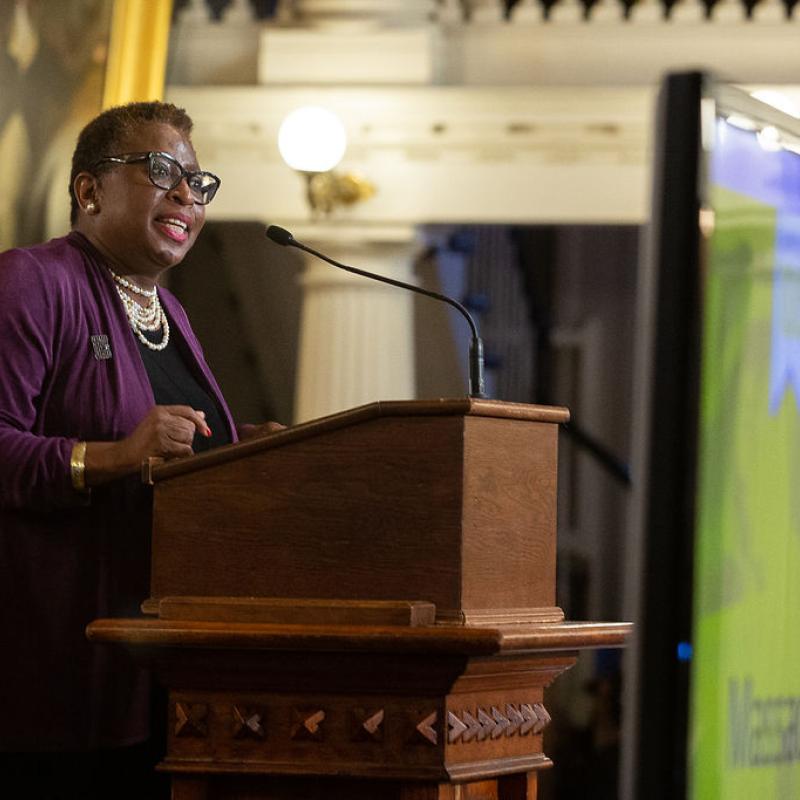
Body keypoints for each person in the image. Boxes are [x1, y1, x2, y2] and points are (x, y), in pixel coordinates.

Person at [0, 101, 277, 798]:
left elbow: (173, 452)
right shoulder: (34, 282)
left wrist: (250, 451)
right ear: (89, 190)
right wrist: (116, 457)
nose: (188, 194)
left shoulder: (172, 313)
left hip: (164, 663)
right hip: (57, 667)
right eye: (162, 172)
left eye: (198, 182)